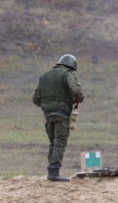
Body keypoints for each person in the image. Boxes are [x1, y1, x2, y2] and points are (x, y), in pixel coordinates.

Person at [32, 54, 85, 182]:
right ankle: (54, 172)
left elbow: (36, 99)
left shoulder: (44, 76)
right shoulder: (67, 74)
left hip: (48, 115)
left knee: (53, 142)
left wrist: (49, 104)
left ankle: (51, 170)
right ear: (71, 65)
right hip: (61, 113)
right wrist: (77, 100)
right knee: (60, 142)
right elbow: (77, 92)